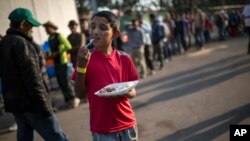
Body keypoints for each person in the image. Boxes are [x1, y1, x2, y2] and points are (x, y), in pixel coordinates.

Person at [0, 7, 68, 141]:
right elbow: (32, 78)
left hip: (15, 103)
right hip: (32, 103)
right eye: (30, 25)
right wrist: (44, 106)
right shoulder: (22, 43)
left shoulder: (4, 43)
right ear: (22, 24)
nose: (32, 29)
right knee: (57, 136)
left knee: (24, 136)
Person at [73, 11, 139, 141]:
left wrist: (123, 91)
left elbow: (133, 92)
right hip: (102, 129)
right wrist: (81, 66)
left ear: (115, 34)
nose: (95, 31)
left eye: (102, 28)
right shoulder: (85, 59)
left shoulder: (124, 58)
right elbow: (79, 94)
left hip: (128, 123)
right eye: (93, 27)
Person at [43, 21, 80, 108]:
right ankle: (67, 100)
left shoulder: (59, 36)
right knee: (60, 82)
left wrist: (58, 52)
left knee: (65, 81)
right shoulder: (49, 38)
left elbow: (68, 46)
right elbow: (51, 50)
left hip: (63, 62)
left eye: (47, 28)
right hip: (56, 63)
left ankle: (74, 98)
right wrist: (49, 54)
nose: (46, 30)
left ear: (52, 28)